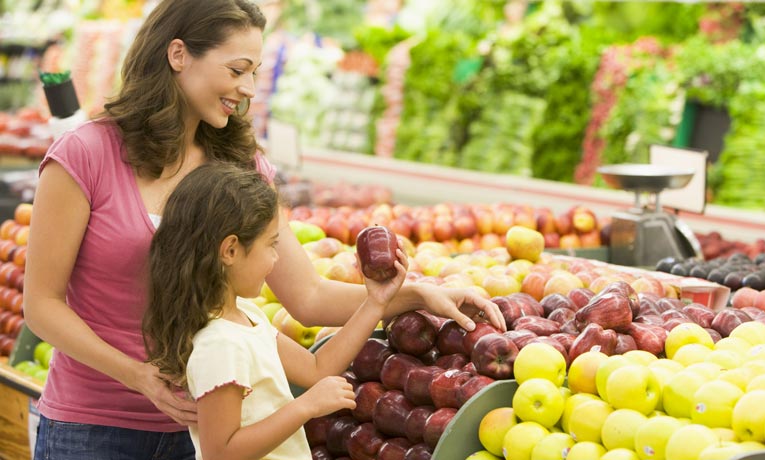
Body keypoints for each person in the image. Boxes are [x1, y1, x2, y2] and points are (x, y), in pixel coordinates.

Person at [22, 0, 503, 458]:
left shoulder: (243, 168)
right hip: (92, 429)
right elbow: (42, 305)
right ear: (178, 54)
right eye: (237, 70)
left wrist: (418, 294)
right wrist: (138, 376)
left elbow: (308, 296)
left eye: (254, 71)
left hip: (214, 431)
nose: (250, 88)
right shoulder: (85, 154)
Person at [143, 163, 406, 459]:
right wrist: (305, 407)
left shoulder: (246, 316)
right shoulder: (220, 344)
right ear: (230, 251)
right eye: (270, 245)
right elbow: (221, 452)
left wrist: (376, 303)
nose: (276, 258)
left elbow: (317, 368)